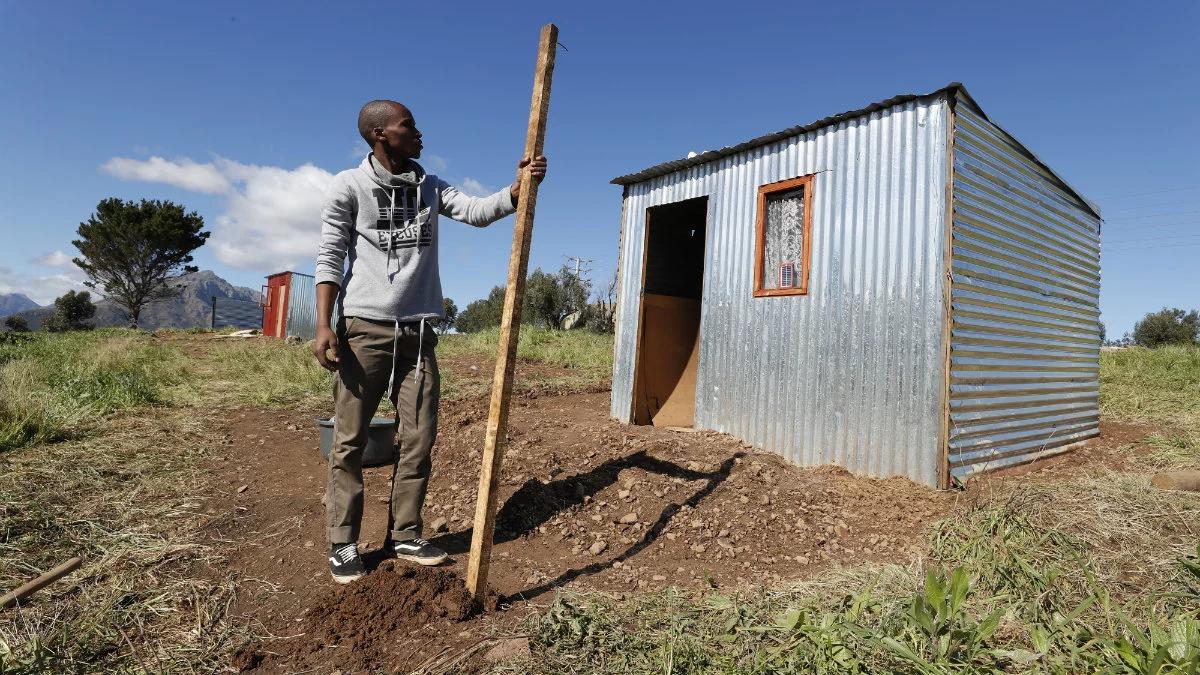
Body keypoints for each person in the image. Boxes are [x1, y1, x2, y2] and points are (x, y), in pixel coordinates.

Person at [313, 99, 547, 583]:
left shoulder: (429, 186)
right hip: (365, 329)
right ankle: (343, 542)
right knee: (351, 440)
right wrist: (323, 324)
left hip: (419, 334)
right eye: (408, 126)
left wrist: (518, 187)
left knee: (418, 438)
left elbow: (479, 212)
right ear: (380, 135)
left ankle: (405, 533)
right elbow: (330, 256)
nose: (419, 133)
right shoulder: (349, 186)